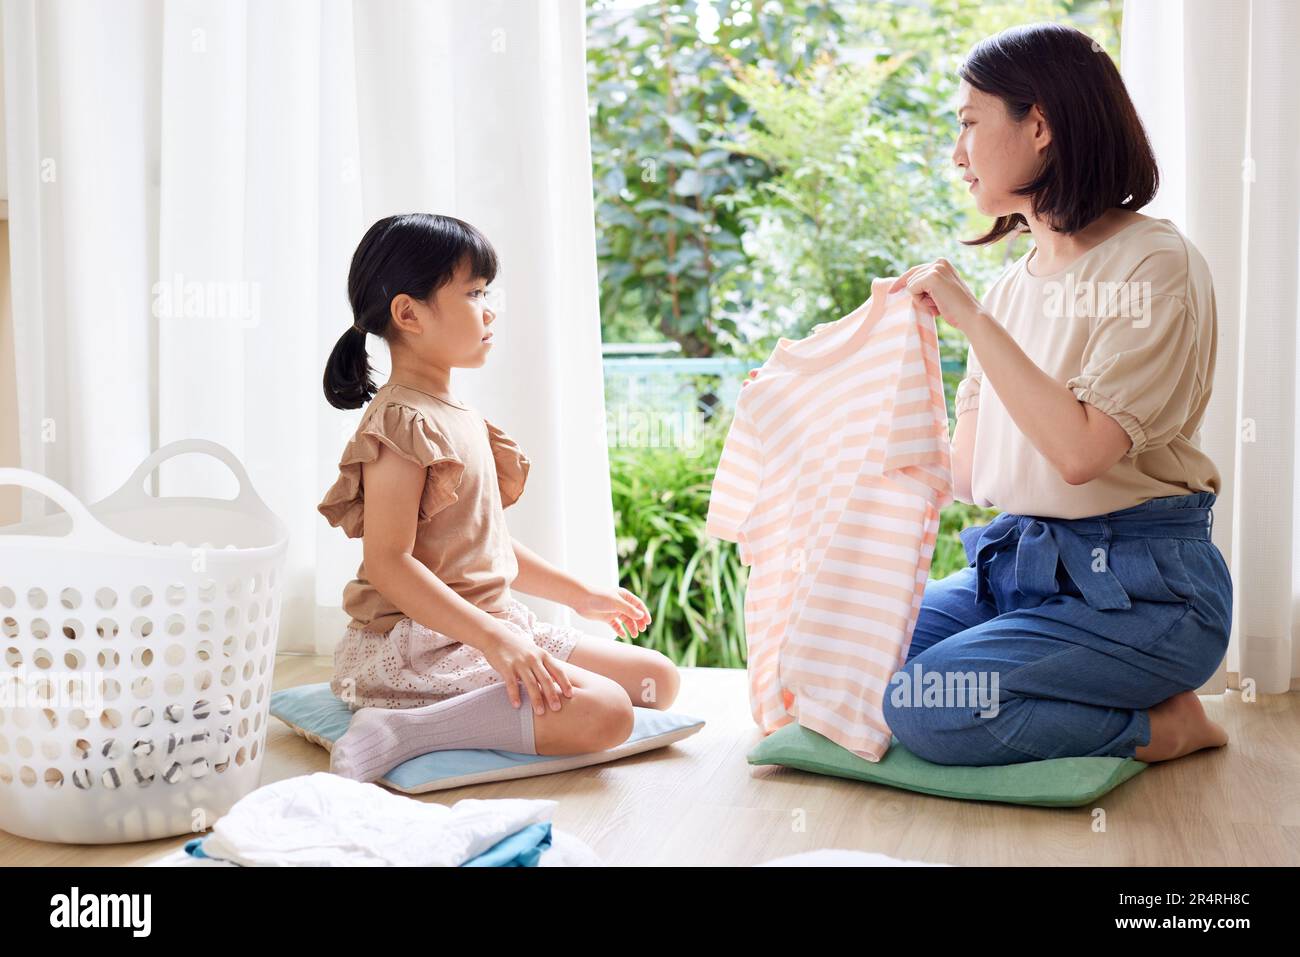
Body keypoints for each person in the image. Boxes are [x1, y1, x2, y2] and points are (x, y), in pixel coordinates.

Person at [746, 23, 1231, 766]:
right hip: (1018, 571)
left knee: (923, 705)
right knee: (836, 654)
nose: (956, 153)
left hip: (1145, 591)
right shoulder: (1009, 289)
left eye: (970, 122)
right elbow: (969, 475)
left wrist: (971, 319)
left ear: (1039, 125)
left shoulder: (1154, 266)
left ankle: (1166, 726)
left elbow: (1080, 452)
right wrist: (814, 417)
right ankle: (1087, 685)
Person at [317, 213, 678, 781]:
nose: (490, 310)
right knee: (608, 711)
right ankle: (400, 729)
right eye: (474, 293)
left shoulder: (459, 416)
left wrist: (579, 593)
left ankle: (468, 703)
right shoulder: (398, 421)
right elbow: (388, 562)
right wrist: (496, 641)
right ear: (408, 313)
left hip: (489, 622)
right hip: (419, 642)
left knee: (658, 680)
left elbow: (483, 543)